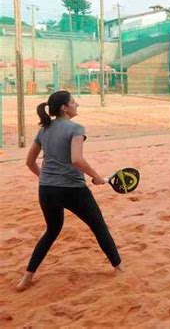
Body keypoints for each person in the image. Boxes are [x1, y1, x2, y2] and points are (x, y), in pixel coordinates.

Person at [17, 90, 122, 291]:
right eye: (74, 102)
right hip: (72, 189)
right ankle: (119, 269)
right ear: (65, 107)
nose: (77, 105)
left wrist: (46, 178)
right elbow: (77, 159)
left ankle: (27, 277)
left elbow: (30, 162)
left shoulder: (44, 130)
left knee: (52, 230)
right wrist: (96, 176)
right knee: (99, 227)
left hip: (47, 190)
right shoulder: (76, 128)